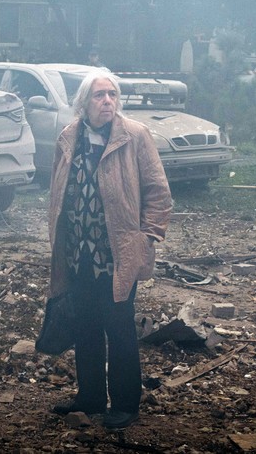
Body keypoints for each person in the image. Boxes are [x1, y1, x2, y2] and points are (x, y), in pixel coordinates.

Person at [47, 70, 172, 430]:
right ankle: (90, 397)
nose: (107, 102)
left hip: (118, 255)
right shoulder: (69, 137)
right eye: (100, 95)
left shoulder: (134, 136)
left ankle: (125, 403)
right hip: (77, 254)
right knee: (85, 326)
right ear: (83, 102)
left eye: (113, 95)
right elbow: (57, 187)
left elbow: (159, 193)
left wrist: (147, 237)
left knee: (118, 329)